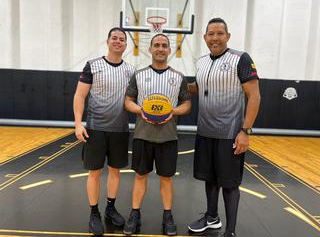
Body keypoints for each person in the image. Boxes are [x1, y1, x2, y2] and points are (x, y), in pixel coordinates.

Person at [187, 18, 261, 237]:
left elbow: (254, 96)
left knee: (229, 184)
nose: (215, 38)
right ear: (205, 37)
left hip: (230, 134)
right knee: (210, 178)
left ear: (228, 36)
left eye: (220, 33)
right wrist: (171, 83)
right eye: (211, 34)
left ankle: (230, 231)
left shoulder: (241, 59)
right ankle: (212, 218)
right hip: (205, 131)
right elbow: (197, 88)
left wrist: (245, 131)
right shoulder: (200, 62)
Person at [123, 34, 191, 236]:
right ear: (150, 49)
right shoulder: (139, 74)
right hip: (143, 134)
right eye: (156, 45)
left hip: (168, 136)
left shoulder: (179, 77)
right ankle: (134, 214)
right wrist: (141, 110)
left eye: (164, 46)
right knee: (140, 176)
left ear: (169, 50)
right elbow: (128, 101)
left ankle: (167, 215)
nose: (160, 49)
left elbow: (187, 104)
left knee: (166, 178)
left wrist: (172, 112)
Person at [73, 27, 135, 235]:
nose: (118, 42)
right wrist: (78, 123)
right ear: (107, 41)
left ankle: (110, 208)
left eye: (122, 39)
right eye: (114, 38)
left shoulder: (130, 70)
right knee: (95, 172)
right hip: (95, 128)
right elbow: (80, 95)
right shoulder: (93, 65)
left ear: (126, 45)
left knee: (115, 171)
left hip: (119, 129)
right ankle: (94, 213)